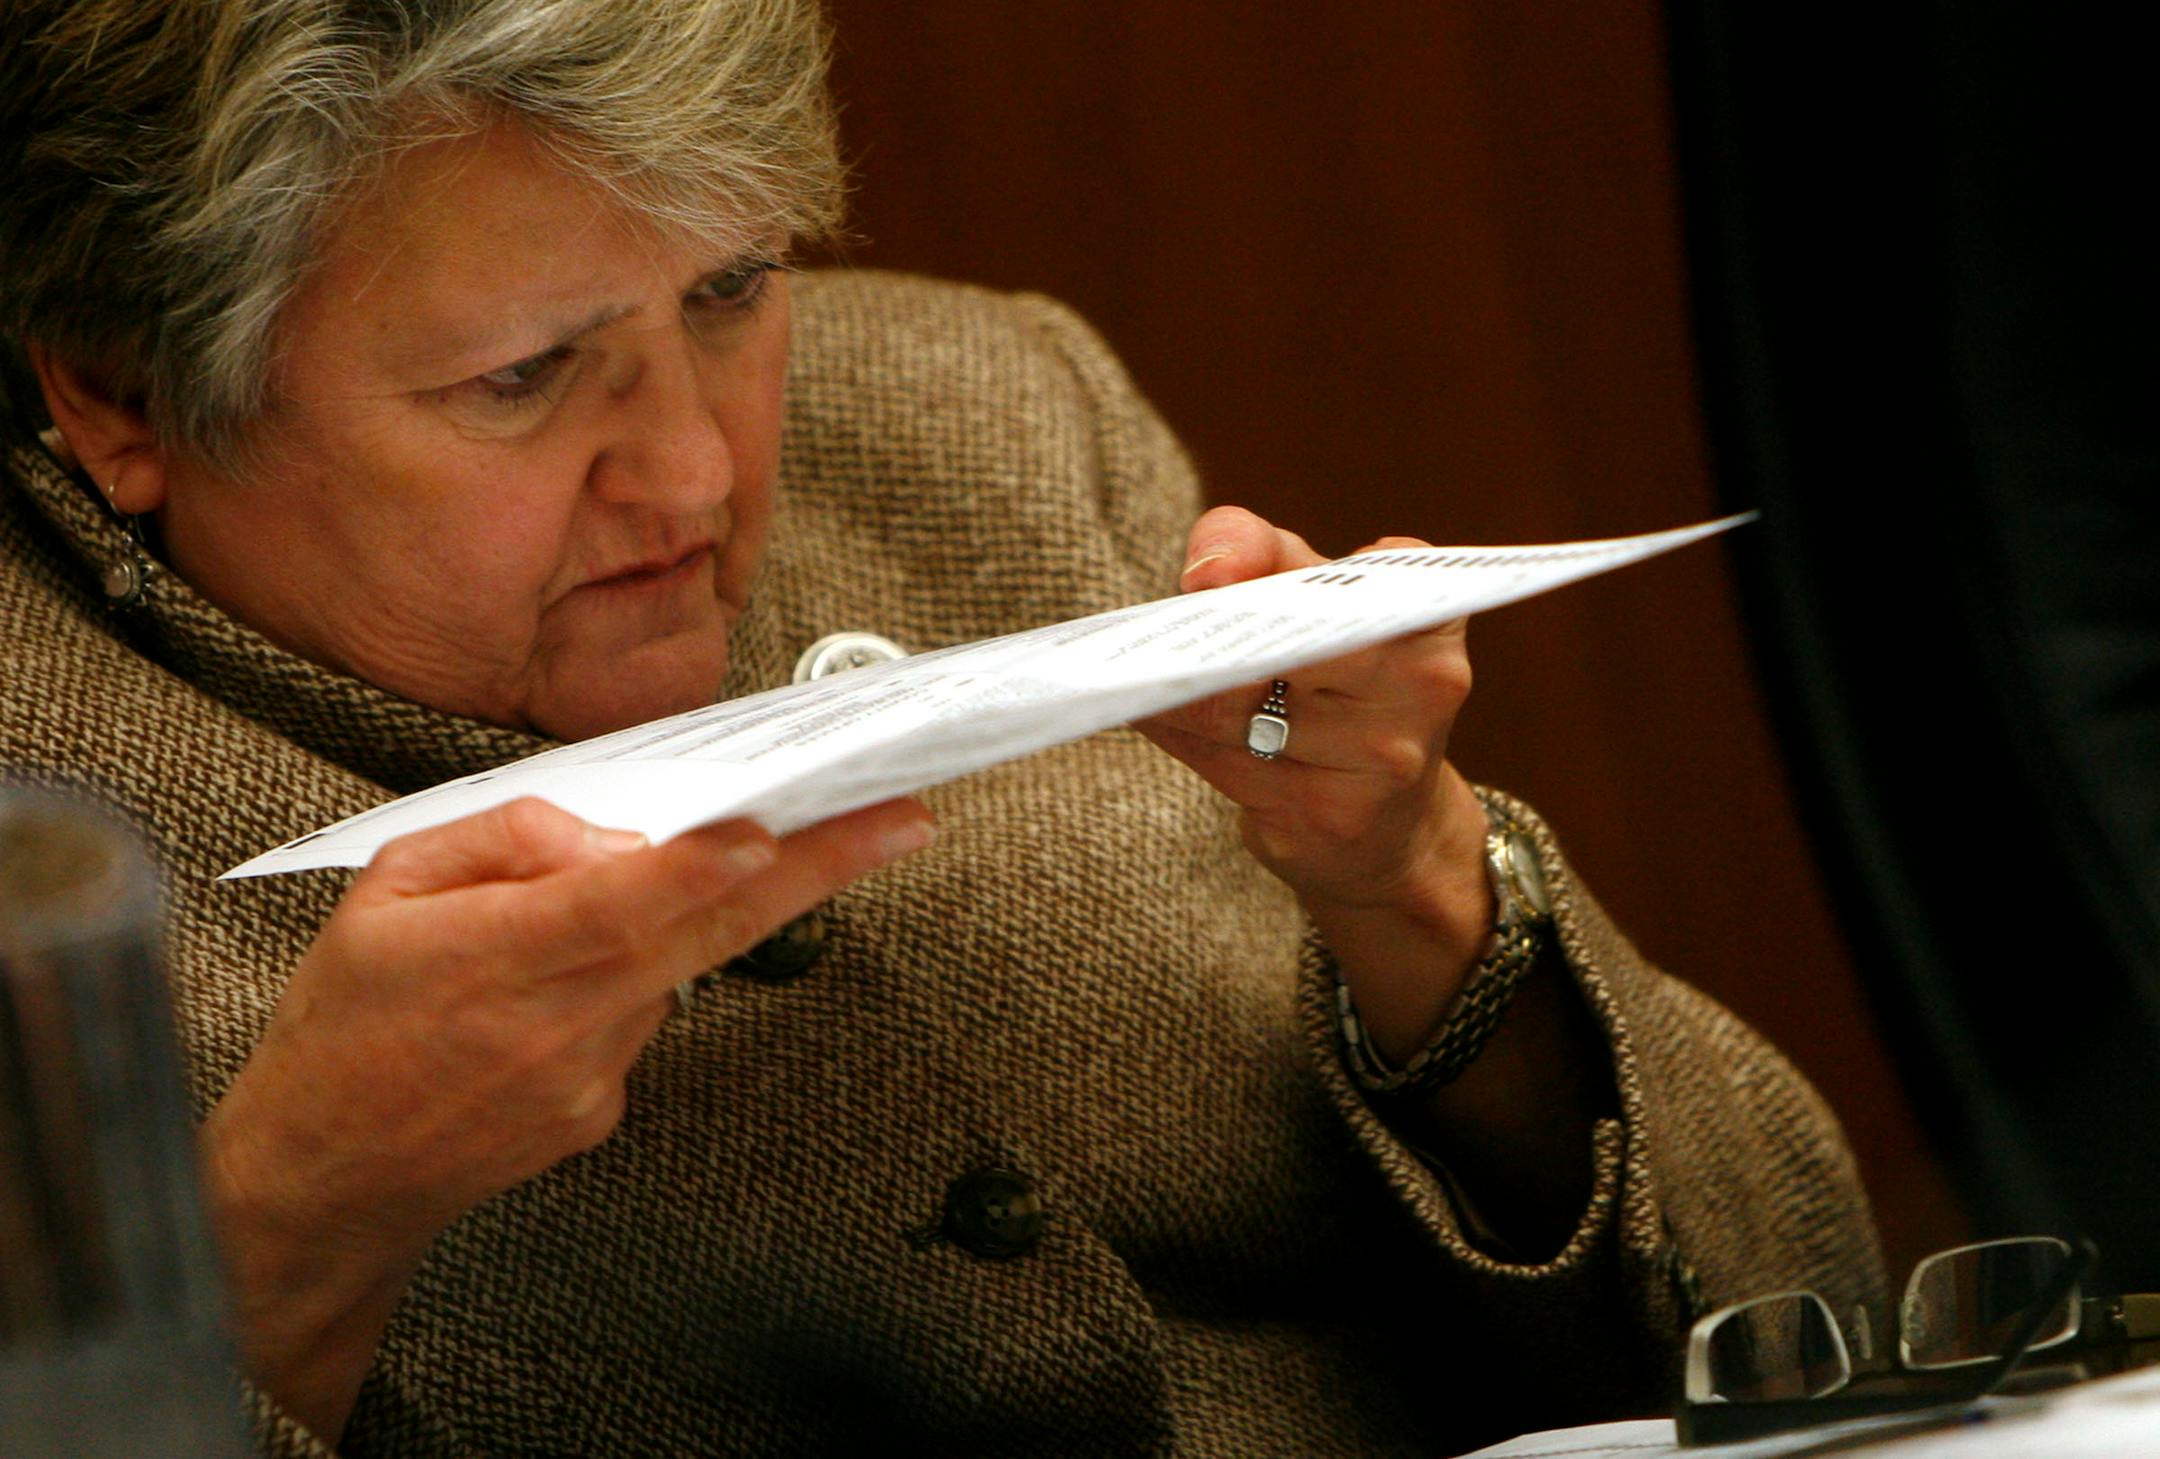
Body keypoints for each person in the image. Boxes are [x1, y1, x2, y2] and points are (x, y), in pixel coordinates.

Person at [0, 1, 1883, 1453]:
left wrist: (1414, 892)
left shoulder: (980, 416)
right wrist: (295, 1224)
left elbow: (1821, 1300)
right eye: (521, 376)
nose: (688, 472)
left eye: (733, 292)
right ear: (121, 399)